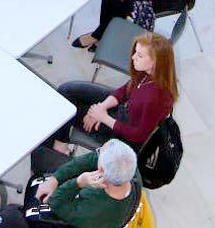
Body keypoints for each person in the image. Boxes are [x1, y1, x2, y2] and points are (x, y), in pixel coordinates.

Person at [47, 32, 177, 154]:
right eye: (135, 52)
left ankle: (56, 146)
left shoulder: (157, 98)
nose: (133, 57)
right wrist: (101, 108)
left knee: (68, 111)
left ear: (156, 62)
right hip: (124, 109)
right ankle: (60, 142)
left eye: (140, 55)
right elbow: (125, 91)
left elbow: (138, 136)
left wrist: (103, 117)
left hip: (121, 133)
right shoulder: (146, 72)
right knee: (66, 90)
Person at [29, 140, 141, 228]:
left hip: (72, 224)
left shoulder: (96, 212)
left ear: (101, 171)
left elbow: (55, 203)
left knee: (33, 195)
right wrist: (55, 179)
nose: (96, 153)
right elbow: (92, 158)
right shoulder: (129, 168)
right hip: (81, 199)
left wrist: (78, 182)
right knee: (41, 154)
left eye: (99, 152)